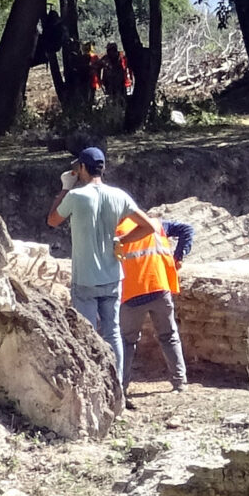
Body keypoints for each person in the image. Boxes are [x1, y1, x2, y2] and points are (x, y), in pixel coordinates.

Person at [44, 146, 160, 385]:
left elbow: (52, 220)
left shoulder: (76, 196)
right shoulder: (119, 196)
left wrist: (65, 187)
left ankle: (93, 385)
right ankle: (117, 385)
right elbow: (148, 226)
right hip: (113, 276)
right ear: (103, 168)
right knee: (113, 332)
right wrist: (122, 240)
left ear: (82, 168)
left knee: (86, 333)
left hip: (86, 279)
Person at [115, 212, 193, 391]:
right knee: (169, 336)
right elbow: (187, 229)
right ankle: (180, 382)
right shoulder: (156, 224)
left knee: (127, 341)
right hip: (159, 287)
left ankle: (121, 386)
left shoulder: (115, 232)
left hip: (131, 294)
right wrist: (178, 257)